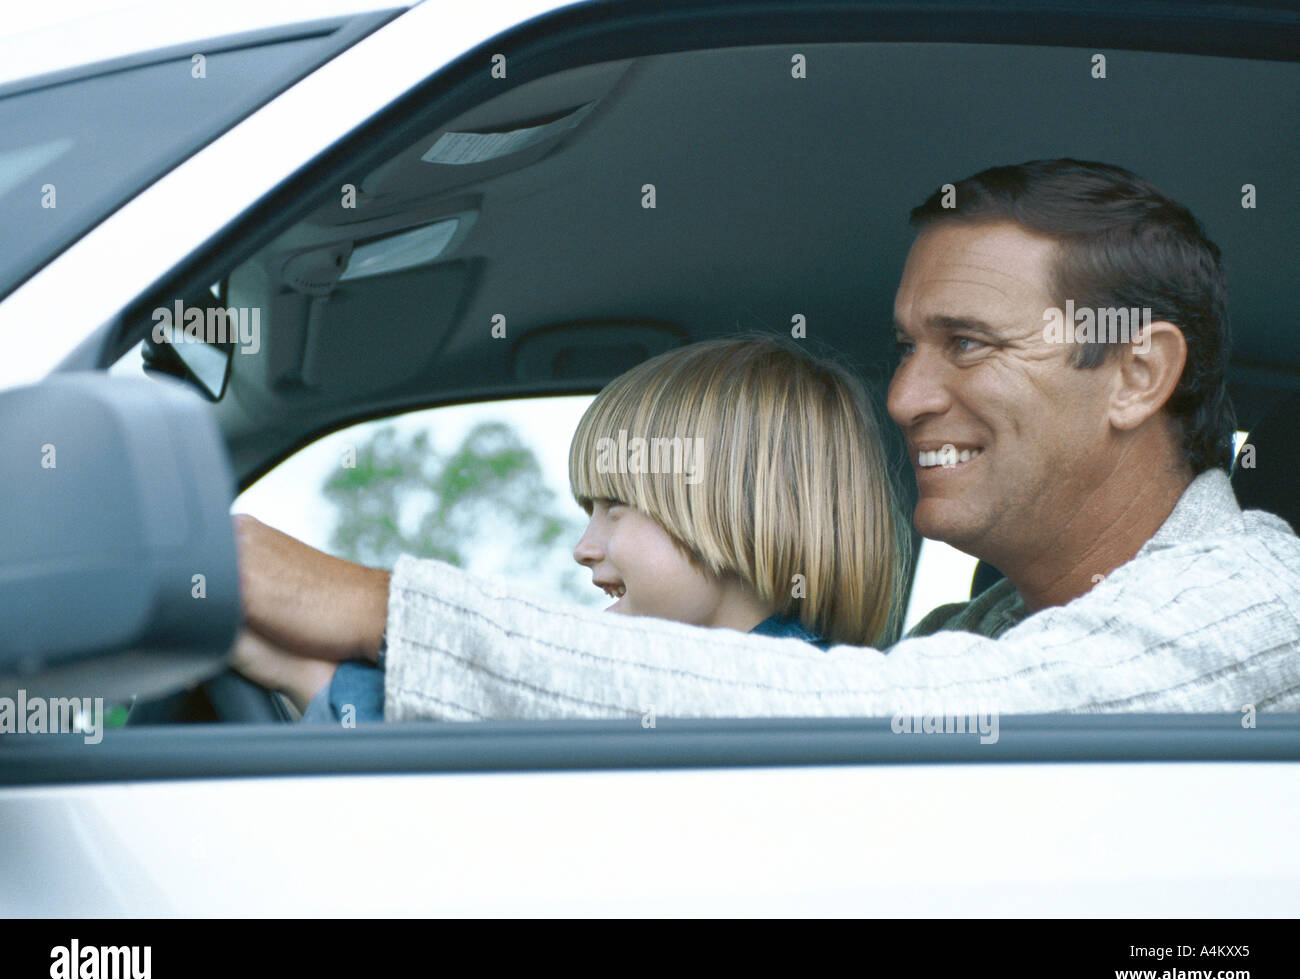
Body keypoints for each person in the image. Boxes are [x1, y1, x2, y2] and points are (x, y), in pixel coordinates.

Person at [234, 158, 1300, 720]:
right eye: (904, 348)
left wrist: (377, 607)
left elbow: (946, 725)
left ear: (1134, 373)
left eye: (965, 344)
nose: (905, 396)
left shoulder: (1260, 596)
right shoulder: (970, 631)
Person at [233, 336, 908, 721]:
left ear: (744, 511)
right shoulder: (669, 711)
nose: (585, 548)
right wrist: (307, 675)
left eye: (616, 506)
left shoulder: (785, 708)